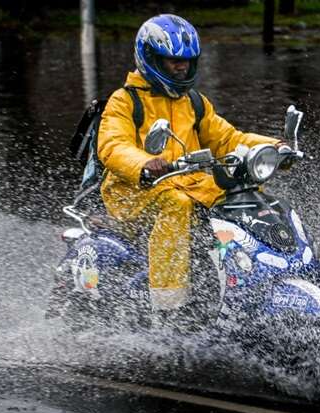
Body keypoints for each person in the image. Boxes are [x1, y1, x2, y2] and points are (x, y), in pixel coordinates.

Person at [97, 14, 281, 314]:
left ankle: (248, 286)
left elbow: (228, 139)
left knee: (245, 197)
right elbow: (113, 145)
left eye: (187, 61)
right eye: (173, 61)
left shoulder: (193, 102)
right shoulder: (124, 101)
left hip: (190, 183)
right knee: (176, 204)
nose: (182, 67)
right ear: (151, 59)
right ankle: (169, 308)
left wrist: (272, 147)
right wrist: (145, 163)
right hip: (134, 191)